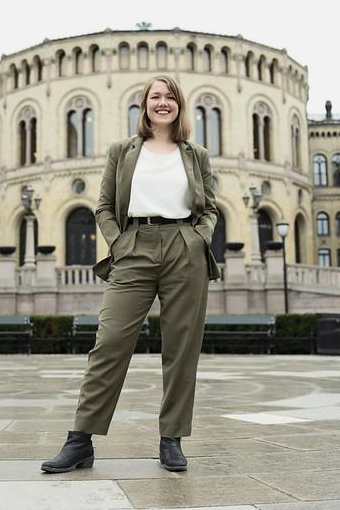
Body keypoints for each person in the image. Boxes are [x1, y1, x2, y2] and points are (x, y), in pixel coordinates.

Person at [41, 75, 220, 474]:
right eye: (155, 96)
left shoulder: (196, 154)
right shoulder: (122, 151)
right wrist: (120, 245)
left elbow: (209, 208)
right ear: (144, 105)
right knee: (109, 343)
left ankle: (171, 439)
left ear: (179, 106)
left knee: (181, 349)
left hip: (183, 247)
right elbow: (103, 207)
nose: (163, 102)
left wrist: (197, 239)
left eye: (170, 96)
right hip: (134, 245)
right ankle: (80, 439)